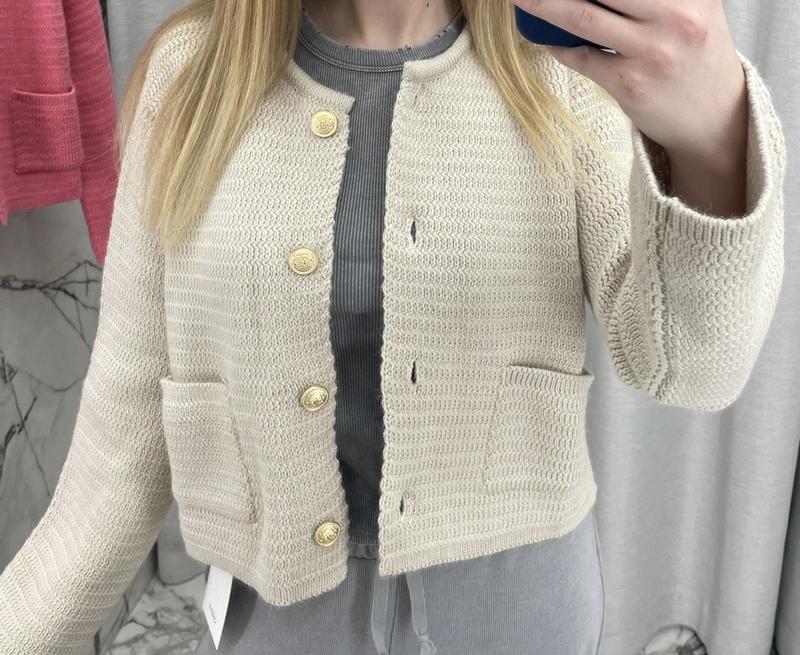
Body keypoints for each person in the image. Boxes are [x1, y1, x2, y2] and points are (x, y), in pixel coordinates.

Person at [0, 0, 785, 654]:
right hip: (281, 621)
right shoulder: (190, 80)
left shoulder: (565, 74)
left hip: (519, 610)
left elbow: (686, 367)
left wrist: (714, 141)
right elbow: (117, 466)